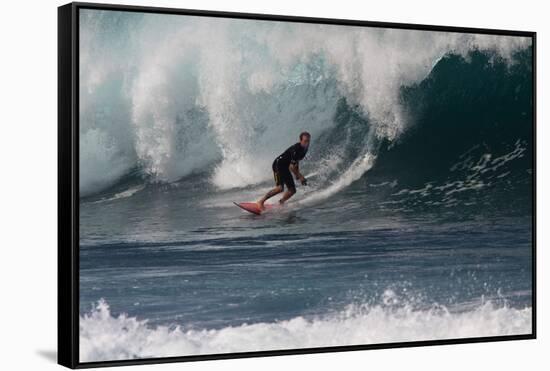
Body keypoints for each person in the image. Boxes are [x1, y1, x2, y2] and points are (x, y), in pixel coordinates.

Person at [257, 132, 311, 209]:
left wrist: (296, 174)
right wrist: (300, 176)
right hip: (278, 164)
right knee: (280, 188)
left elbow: (296, 161)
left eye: (308, 141)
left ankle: (280, 203)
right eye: (305, 141)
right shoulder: (296, 149)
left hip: (285, 167)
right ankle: (261, 202)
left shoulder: (304, 149)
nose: (307, 143)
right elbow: (292, 167)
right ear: (300, 140)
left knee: (292, 190)